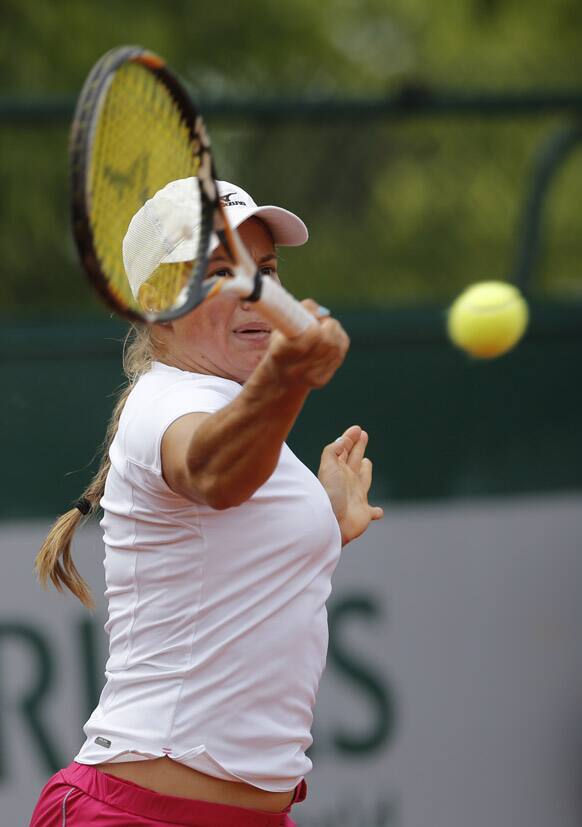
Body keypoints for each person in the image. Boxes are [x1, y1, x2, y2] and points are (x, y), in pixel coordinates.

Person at [31, 179, 383, 827]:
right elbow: (213, 471)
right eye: (221, 271)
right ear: (156, 300)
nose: (256, 290)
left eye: (266, 270)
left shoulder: (234, 406)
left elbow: (232, 556)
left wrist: (327, 526)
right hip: (138, 815)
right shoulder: (169, 402)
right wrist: (289, 373)